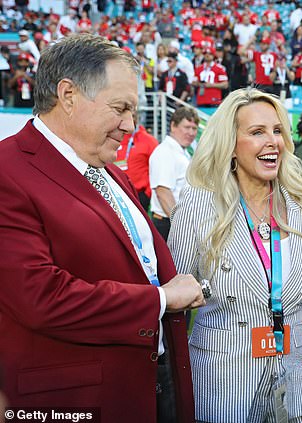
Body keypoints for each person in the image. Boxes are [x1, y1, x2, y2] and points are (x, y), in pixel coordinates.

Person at [0, 33, 204, 422]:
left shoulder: (109, 171)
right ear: (69, 95)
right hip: (74, 400)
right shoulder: (7, 170)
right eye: (120, 108)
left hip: (151, 387)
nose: (130, 124)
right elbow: (40, 297)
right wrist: (161, 300)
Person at [168, 88, 302, 422]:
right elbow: (174, 306)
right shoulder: (198, 204)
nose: (273, 142)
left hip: (299, 392)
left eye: (277, 130)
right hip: (221, 390)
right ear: (231, 145)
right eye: (257, 132)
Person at [149, 106, 199, 240]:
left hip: (175, 222)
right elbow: (163, 192)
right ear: (173, 126)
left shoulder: (180, 152)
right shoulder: (165, 152)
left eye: (194, 128)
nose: (191, 133)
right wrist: (180, 226)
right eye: (187, 127)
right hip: (168, 224)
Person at [114, 117, 159, 212]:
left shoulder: (149, 141)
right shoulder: (112, 138)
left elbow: (157, 170)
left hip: (139, 195)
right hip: (115, 193)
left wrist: (147, 194)